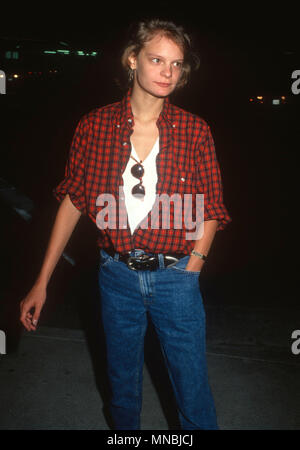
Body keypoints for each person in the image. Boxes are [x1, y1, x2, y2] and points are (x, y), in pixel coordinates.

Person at [20, 18, 231, 430]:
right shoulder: (94, 126)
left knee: (192, 390)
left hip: (176, 278)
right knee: (121, 389)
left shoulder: (194, 131)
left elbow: (211, 208)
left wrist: (196, 264)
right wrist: (41, 281)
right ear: (133, 60)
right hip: (115, 277)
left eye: (176, 63)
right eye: (157, 60)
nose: (168, 72)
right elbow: (72, 203)